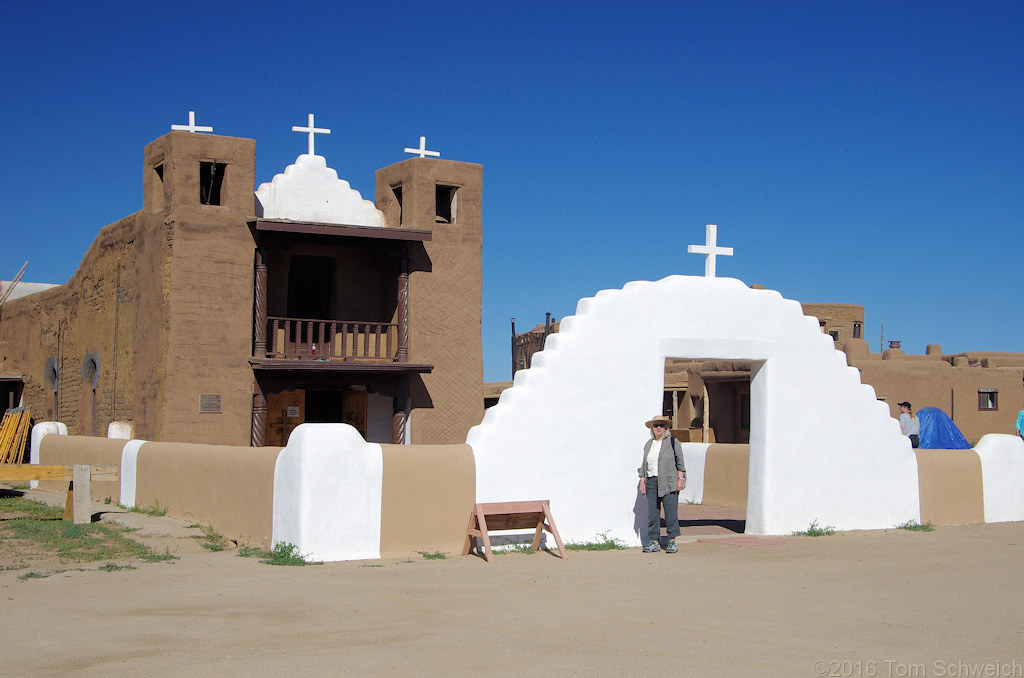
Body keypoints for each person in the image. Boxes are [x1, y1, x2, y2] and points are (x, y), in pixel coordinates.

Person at [638, 415, 686, 554]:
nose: (658, 428)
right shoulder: (649, 444)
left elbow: (680, 462)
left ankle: (672, 541)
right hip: (651, 480)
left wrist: (680, 480)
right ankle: (654, 541)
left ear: (666, 428)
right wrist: (643, 479)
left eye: (661, 425)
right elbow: (644, 463)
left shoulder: (672, 442)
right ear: (652, 428)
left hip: (668, 480)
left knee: (671, 511)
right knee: (653, 512)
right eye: (656, 426)